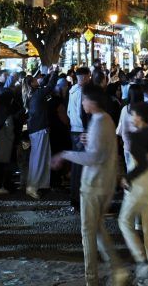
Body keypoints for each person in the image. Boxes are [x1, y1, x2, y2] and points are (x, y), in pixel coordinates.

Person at [53, 83, 127, 286]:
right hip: (105, 183)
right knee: (97, 228)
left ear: (92, 101)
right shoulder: (105, 119)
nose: (82, 103)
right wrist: (89, 141)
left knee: (88, 231)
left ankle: (91, 279)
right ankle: (117, 268)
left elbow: (93, 158)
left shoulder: (99, 121)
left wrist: (65, 154)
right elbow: (102, 149)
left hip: (93, 184)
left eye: (84, 99)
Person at [117, 102, 148, 286]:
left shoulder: (137, 137)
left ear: (141, 117)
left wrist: (127, 178)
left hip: (140, 186)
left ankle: (142, 261)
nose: (132, 118)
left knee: (124, 221)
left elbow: (142, 164)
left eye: (134, 115)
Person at [26, 71, 56, 199]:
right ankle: (33, 186)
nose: (38, 80)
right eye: (35, 79)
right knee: (39, 158)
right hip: (39, 128)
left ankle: (40, 184)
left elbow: (43, 83)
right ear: (32, 83)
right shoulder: (37, 94)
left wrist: (49, 74)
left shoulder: (32, 93)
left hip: (36, 128)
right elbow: (49, 87)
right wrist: (55, 73)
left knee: (41, 157)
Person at [67, 66, 92, 211]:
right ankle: (79, 199)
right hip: (82, 131)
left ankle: (75, 198)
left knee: (77, 165)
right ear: (86, 76)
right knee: (82, 166)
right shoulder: (83, 91)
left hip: (74, 129)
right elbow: (83, 113)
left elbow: (70, 111)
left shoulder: (72, 90)